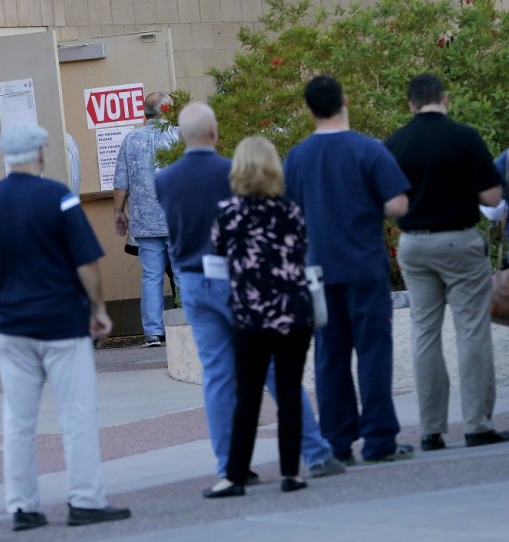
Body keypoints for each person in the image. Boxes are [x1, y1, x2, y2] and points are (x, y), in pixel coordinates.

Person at [155, 103, 344, 497]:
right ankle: (315, 453)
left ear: (181, 136)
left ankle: (230, 466)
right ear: (214, 131)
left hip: (191, 282)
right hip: (241, 283)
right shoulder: (232, 172)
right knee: (278, 373)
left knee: (218, 375)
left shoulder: (165, 179)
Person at [0, 123, 131, 532]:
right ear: (38, 152)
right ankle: (86, 500)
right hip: (61, 321)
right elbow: (85, 263)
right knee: (76, 413)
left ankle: (24, 507)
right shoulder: (59, 197)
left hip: (11, 323)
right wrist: (97, 307)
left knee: (18, 419)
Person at [284, 76, 413, 464]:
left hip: (318, 272)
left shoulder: (298, 156)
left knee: (330, 356)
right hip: (364, 266)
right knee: (373, 352)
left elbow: (289, 216)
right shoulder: (368, 150)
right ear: (344, 101)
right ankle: (379, 441)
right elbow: (399, 205)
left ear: (309, 109)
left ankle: (337, 442)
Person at [385, 73, 508, 450]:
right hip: (459, 242)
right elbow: (491, 198)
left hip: (414, 245)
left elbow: (389, 203)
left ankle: (431, 430)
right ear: (446, 99)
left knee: (424, 333)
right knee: (471, 329)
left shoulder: (396, 143)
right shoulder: (465, 137)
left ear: (411, 104)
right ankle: (476, 424)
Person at [204, 135, 313, 497]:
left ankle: (234, 476)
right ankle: (291, 473)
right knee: (289, 394)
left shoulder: (227, 213)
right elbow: (300, 252)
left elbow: (218, 260)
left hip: (250, 317)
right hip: (293, 314)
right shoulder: (292, 210)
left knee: (246, 397)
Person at [113, 91, 179, 347]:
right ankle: (185, 322)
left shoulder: (131, 139)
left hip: (144, 221)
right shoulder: (179, 136)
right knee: (182, 272)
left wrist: (118, 212)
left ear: (145, 112)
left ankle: (153, 332)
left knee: (151, 276)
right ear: (167, 111)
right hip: (177, 219)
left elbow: (121, 181)